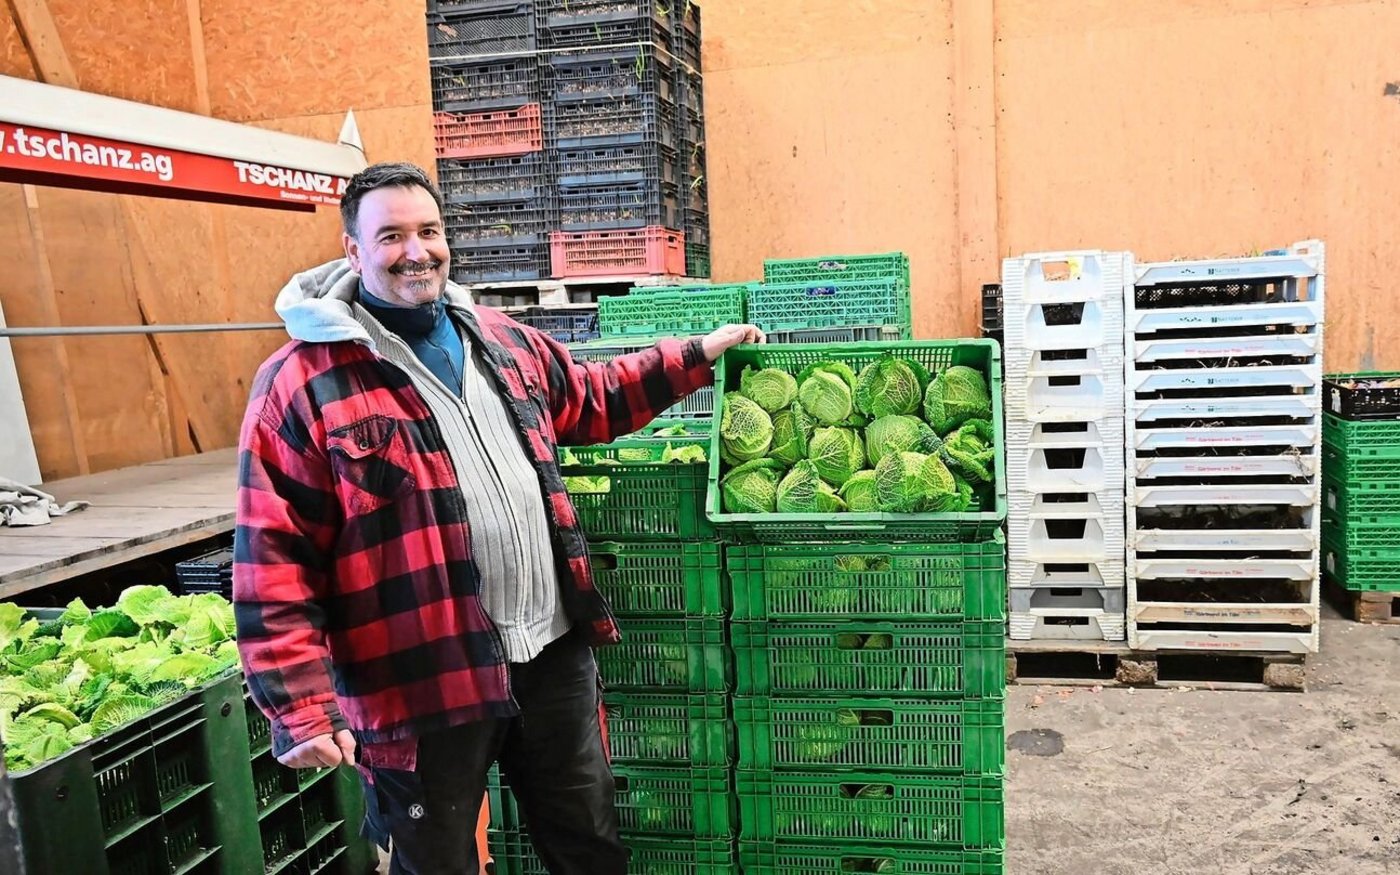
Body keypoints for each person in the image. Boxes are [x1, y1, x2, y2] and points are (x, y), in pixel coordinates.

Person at [232, 161, 762, 875]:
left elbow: (592, 396)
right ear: (353, 252)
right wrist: (298, 706)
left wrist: (694, 357)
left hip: (548, 652)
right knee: (438, 860)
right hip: (419, 680)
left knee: (588, 842)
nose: (417, 251)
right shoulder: (301, 382)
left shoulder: (499, 339)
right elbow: (273, 558)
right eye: (391, 235)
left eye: (429, 230)